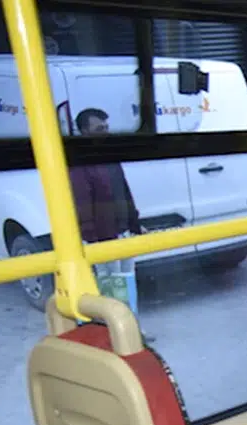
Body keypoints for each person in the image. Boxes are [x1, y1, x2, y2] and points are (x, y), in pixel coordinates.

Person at [70, 107, 151, 339]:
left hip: (123, 232)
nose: (105, 132)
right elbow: (82, 202)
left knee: (128, 284)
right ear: (84, 131)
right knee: (111, 289)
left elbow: (124, 191)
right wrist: (93, 240)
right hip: (103, 238)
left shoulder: (108, 155)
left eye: (106, 127)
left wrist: (135, 224)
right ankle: (116, 335)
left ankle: (133, 330)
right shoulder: (79, 163)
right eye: (99, 129)